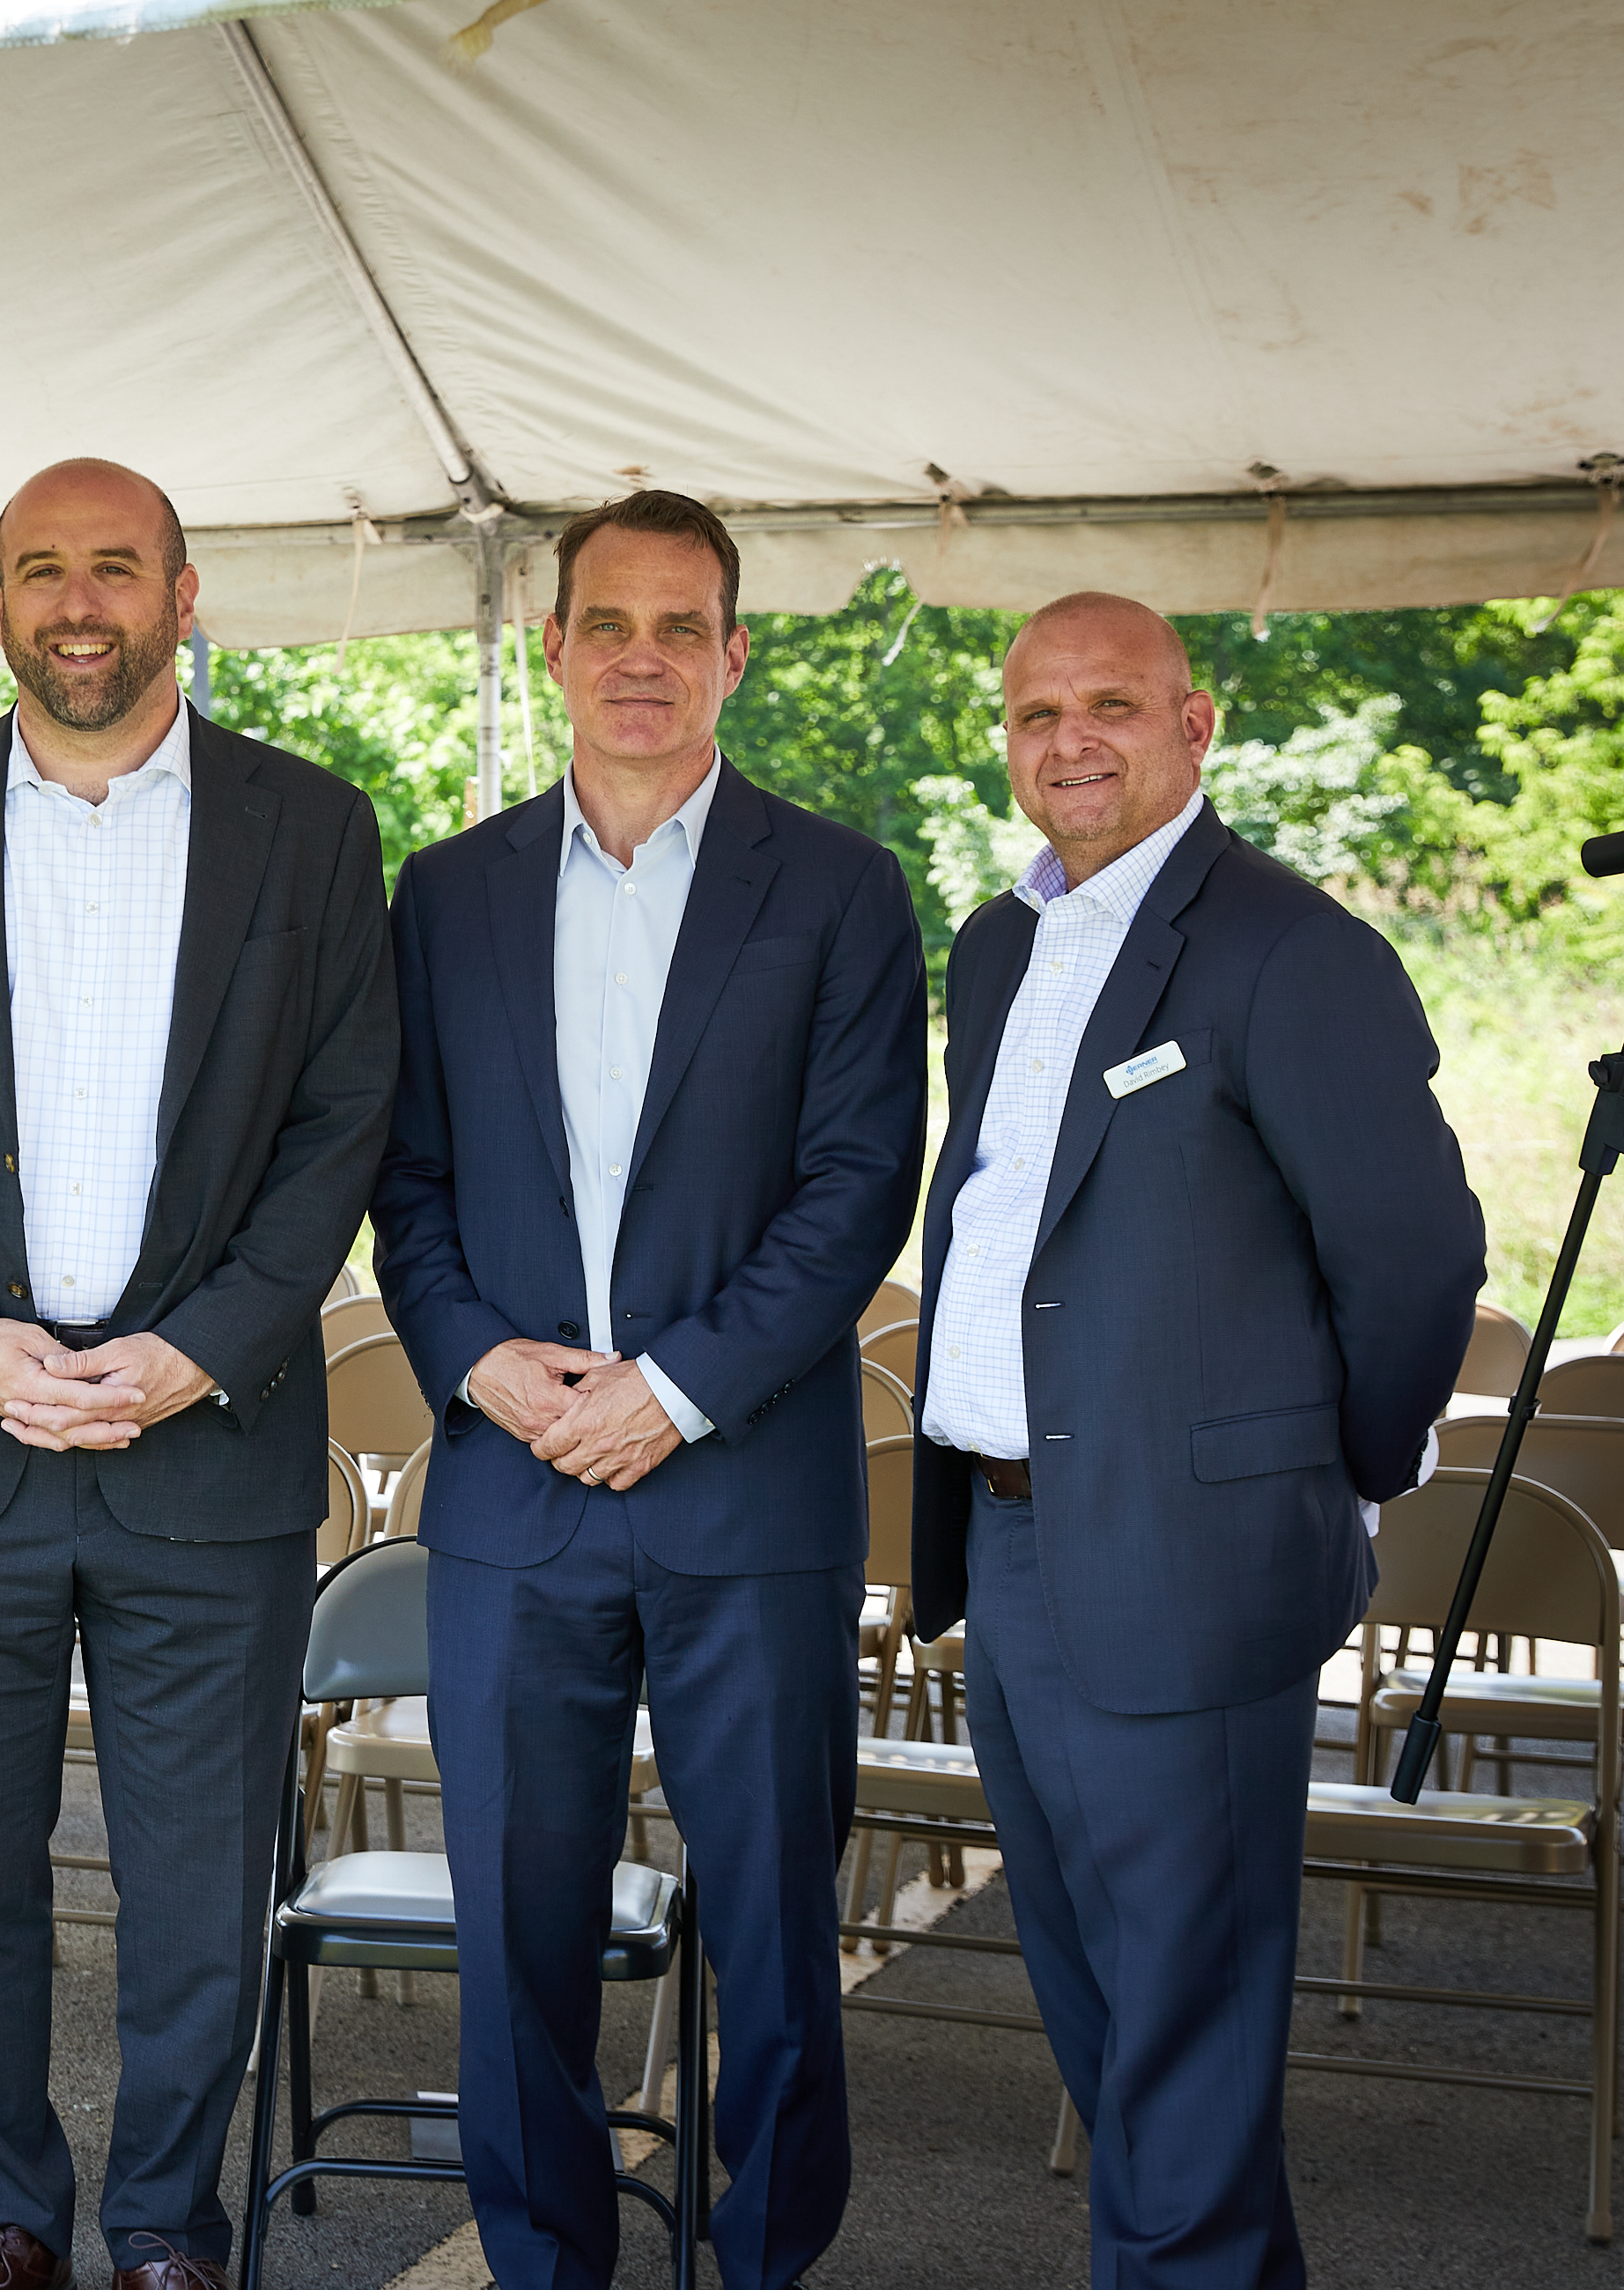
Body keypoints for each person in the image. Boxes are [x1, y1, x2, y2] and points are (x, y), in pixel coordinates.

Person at [0, 458, 395, 2290]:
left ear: (183, 594)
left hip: (209, 1447)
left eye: (113, 566)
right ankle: (5, 2211)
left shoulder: (310, 826)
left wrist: (197, 1355)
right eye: (39, 569)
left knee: (197, 1888)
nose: (77, 600)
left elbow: (345, 1118)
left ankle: (161, 2224)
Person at [369, 491, 924, 2290]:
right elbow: (410, 1182)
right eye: (608, 623)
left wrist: (672, 1391)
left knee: (769, 1934)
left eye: (682, 628)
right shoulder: (446, 896)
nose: (641, 658)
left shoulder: (839, 890)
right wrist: (476, 1360)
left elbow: (858, 1192)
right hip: (514, 1497)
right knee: (519, 1939)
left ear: (735, 655)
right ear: (553, 644)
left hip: (743, 1495)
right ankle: (547, 2265)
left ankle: (762, 2261)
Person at [909, 591, 1480, 2286]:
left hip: (1189, 1552)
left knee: (1189, 2002)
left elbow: (1416, 1251)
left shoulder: (1293, 951)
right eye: (1034, 715)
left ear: (1195, 720)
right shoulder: (997, 944)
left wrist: (1322, 1472)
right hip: (1007, 1535)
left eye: (1109, 706)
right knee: (1102, 1996)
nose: (1068, 742)